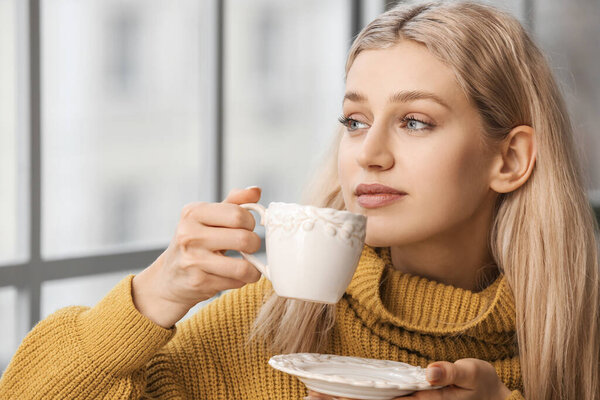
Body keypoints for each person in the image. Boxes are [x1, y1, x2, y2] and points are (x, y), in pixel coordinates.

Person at [1, 1, 598, 399]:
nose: (369, 153)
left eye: (415, 121)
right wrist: (149, 296)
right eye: (355, 120)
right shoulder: (265, 329)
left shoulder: (579, 335)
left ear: (511, 159)